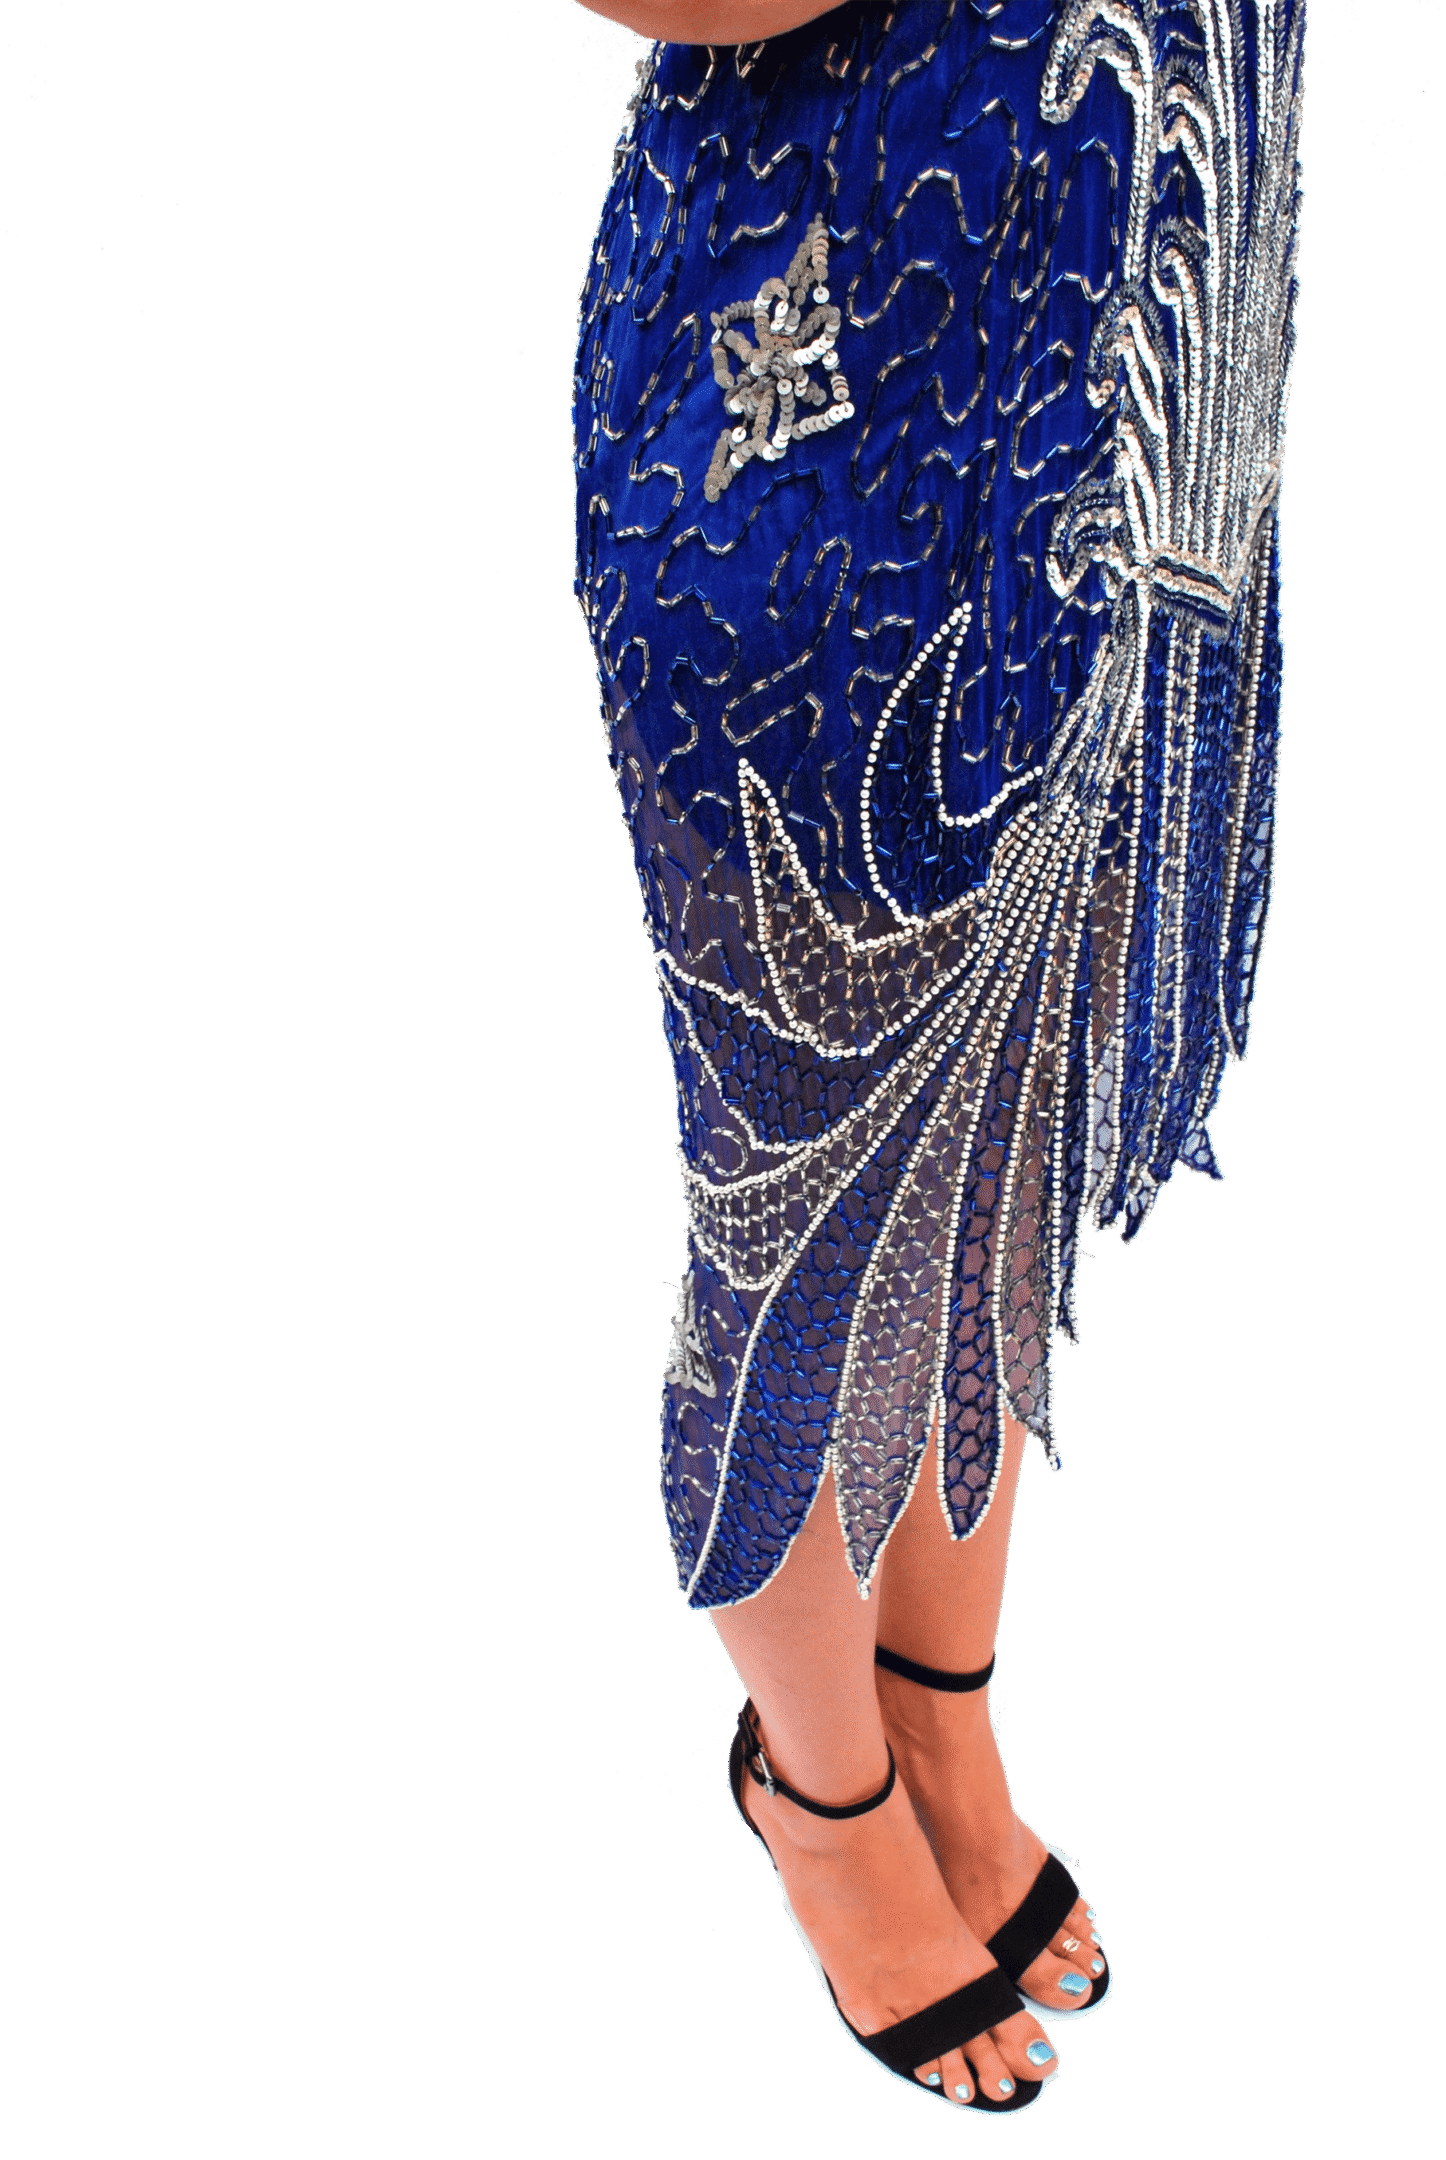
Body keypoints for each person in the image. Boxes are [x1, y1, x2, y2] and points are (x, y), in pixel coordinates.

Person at [571, 0, 1305, 2113]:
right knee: (804, 1192)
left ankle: (938, 1700)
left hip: (1137, 397)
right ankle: (819, 1787)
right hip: (823, 427)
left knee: (1008, 1128)